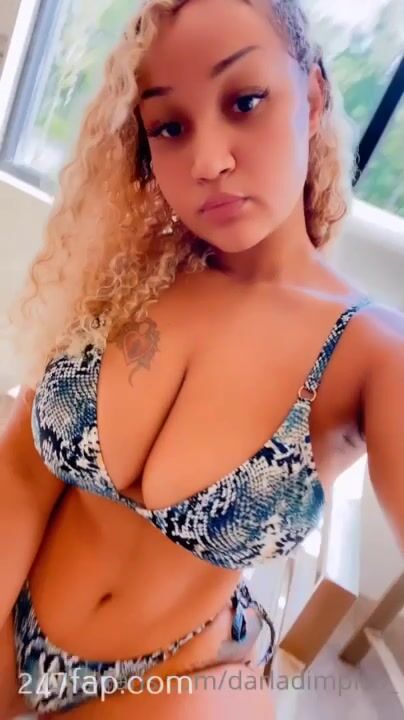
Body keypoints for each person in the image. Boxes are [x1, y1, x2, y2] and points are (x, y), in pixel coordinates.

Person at [1, 0, 403, 716]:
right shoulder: (128, 274)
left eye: (245, 101)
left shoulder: (373, 356)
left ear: (313, 97)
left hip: (175, 682)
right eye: (170, 126)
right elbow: (21, 476)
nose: (209, 161)